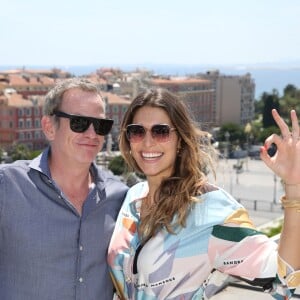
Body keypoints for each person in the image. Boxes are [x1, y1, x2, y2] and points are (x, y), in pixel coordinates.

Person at [108, 88, 300, 299]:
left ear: (180, 139)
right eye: (137, 131)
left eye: (160, 131)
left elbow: (284, 278)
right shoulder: (132, 197)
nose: (147, 142)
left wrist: (294, 187)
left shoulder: (208, 207)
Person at [0, 78, 128, 300]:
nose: (92, 134)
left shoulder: (121, 197)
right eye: (79, 122)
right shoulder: (7, 186)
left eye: (100, 125)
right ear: (49, 127)